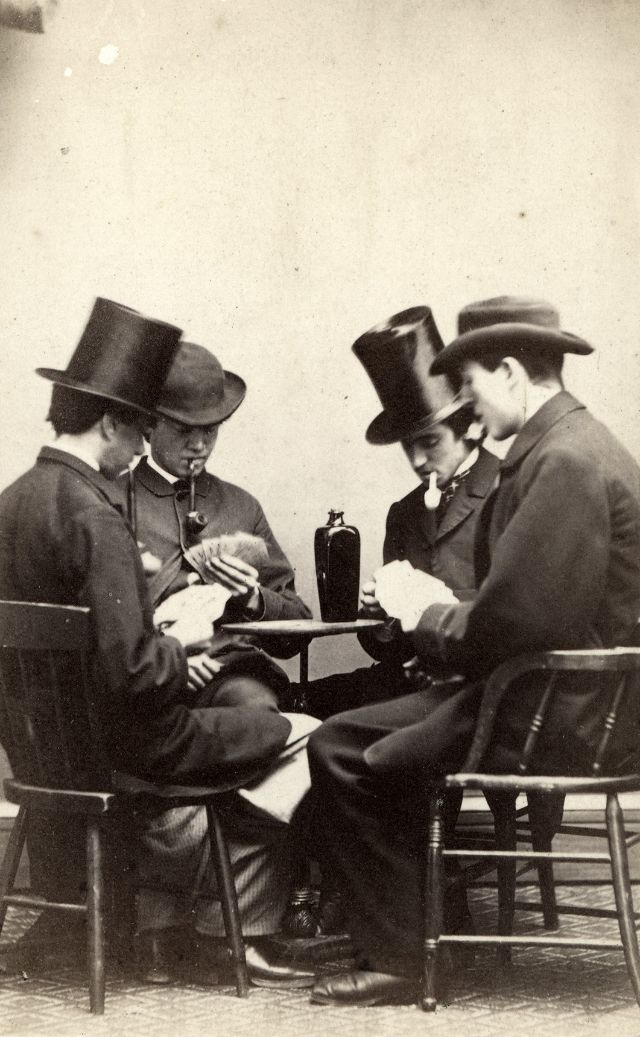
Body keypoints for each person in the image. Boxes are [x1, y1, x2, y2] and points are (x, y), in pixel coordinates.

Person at [307, 295, 640, 1006]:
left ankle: (407, 951)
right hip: (553, 696)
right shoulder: (572, 447)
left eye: (470, 387)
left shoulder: (564, 463)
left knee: (352, 753)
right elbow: (516, 617)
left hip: (552, 712)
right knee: (343, 739)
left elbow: (507, 626)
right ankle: (419, 929)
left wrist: (422, 610)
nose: (466, 406)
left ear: (512, 372)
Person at [0, 298, 315, 989]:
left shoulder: (12, 501)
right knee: (309, 738)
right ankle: (218, 925)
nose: (143, 447)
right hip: (126, 749)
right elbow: (135, 675)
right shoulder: (97, 515)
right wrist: (187, 642)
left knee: (244, 730)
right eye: (143, 427)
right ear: (112, 421)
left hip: (45, 752)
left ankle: (171, 921)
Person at [117, 339, 315, 982]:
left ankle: (227, 918)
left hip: (232, 676)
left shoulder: (241, 505)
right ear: (148, 425)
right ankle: (174, 924)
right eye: (184, 430)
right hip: (154, 674)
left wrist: (256, 594)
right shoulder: (114, 501)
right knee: (151, 734)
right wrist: (175, 584)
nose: (199, 445)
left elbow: (297, 628)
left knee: (259, 719)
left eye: (211, 432)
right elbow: (104, 619)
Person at [299, 306, 499, 720]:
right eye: (409, 446)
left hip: (485, 686)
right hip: (412, 683)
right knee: (301, 703)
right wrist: (379, 615)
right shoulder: (404, 513)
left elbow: (515, 613)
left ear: (469, 428)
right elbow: (382, 646)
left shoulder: (508, 489)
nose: (418, 460)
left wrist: (426, 612)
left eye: (430, 442)